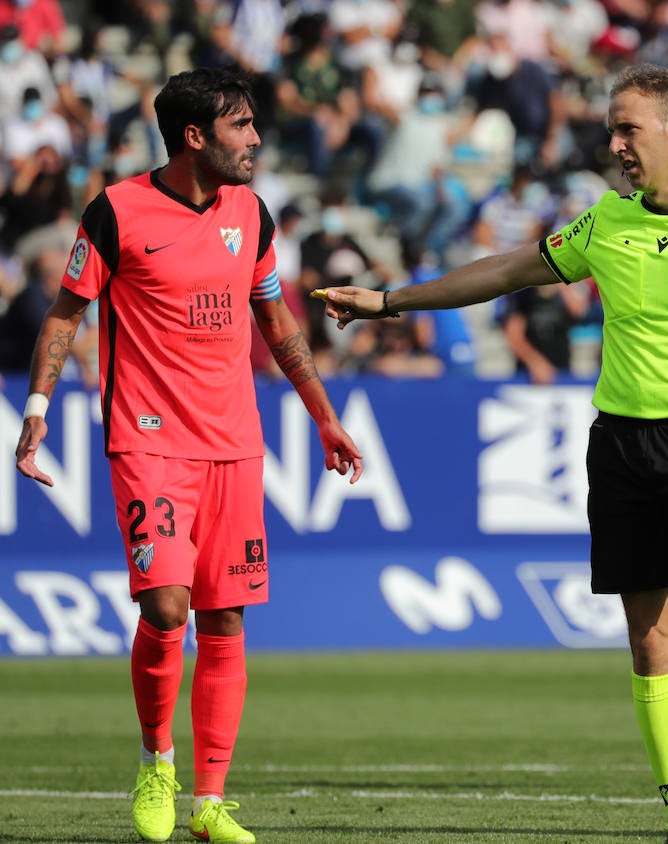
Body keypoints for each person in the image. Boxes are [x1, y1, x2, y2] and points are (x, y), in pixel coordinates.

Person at [315, 64, 668, 844]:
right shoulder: (604, 221)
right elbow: (507, 270)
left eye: (627, 129)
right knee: (650, 639)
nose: (614, 144)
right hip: (622, 448)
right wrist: (390, 300)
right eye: (611, 129)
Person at [13, 68, 364, 844]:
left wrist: (325, 418)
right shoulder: (118, 212)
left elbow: (278, 325)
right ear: (194, 137)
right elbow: (66, 316)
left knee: (225, 617)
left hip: (235, 444)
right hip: (147, 438)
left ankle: (208, 802)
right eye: (240, 126)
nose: (257, 140)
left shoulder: (253, 213)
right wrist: (36, 409)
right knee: (166, 607)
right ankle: (155, 760)